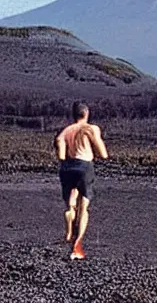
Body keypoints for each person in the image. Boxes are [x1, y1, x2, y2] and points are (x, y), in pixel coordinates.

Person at [55, 102, 108, 259]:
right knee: (84, 206)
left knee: (70, 204)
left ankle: (68, 232)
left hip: (67, 168)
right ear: (87, 114)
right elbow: (103, 153)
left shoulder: (65, 131)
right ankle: (77, 245)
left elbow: (61, 154)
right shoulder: (90, 129)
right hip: (84, 166)